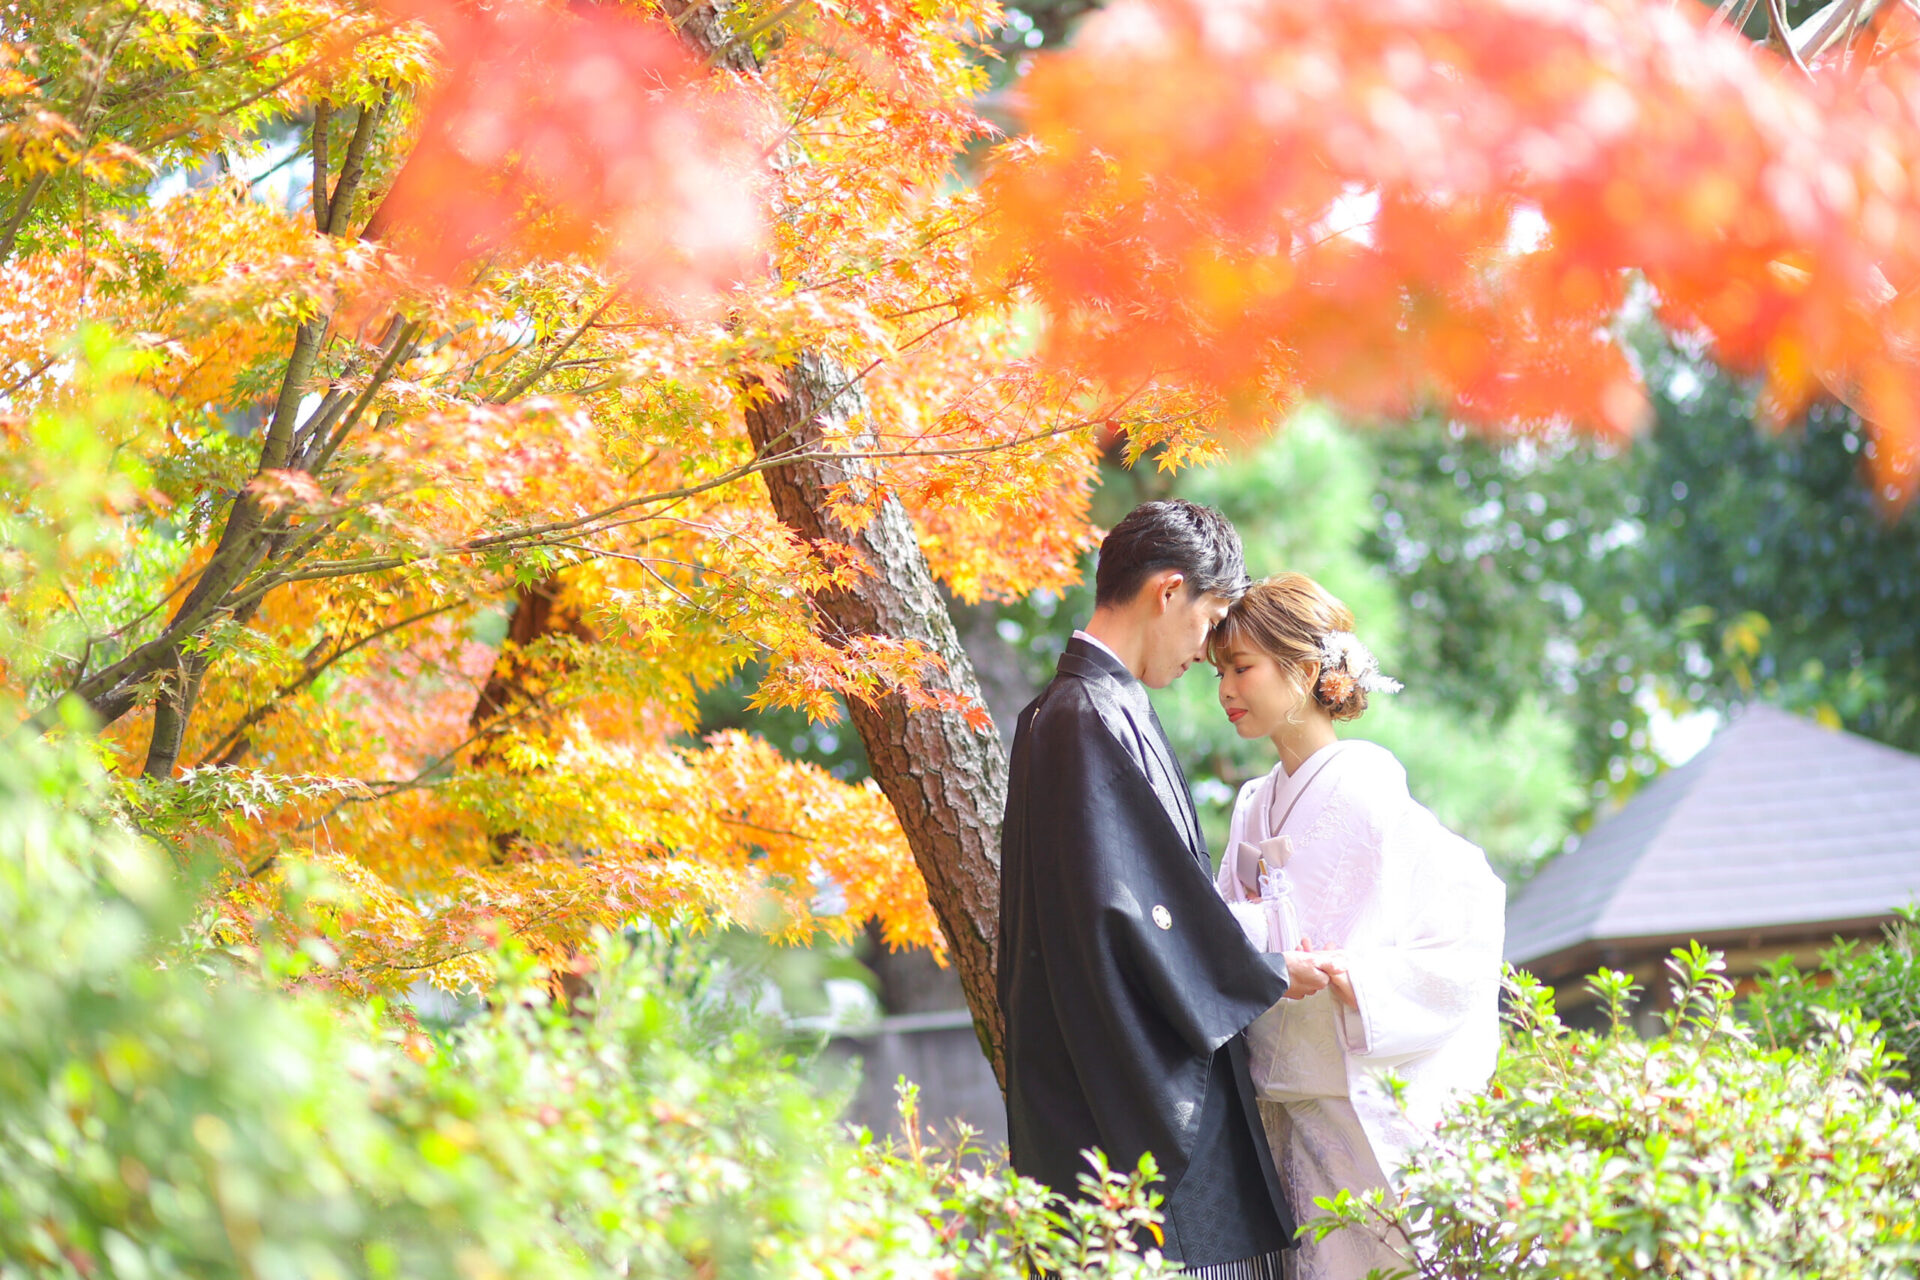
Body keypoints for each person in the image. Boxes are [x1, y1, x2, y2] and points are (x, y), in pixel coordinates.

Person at [999, 501, 1331, 1280]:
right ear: (1168, 591)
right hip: (1132, 1115)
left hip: (1093, 1090)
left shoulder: (1070, 711)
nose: (1205, 652)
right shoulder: (1089, 715)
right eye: (1209, 618)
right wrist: (1269, 972)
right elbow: (1131, 911)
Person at [1209, 573, 1506, 1280]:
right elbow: (1219, 926)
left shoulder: (1370, 788)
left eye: (1242, 668)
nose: (1225, 690)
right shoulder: (1254, 802)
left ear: (1306, 670)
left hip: (1352, 1097)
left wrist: (1361, 979)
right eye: (1219, 671)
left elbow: (1469, 911)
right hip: (1277, 1100)